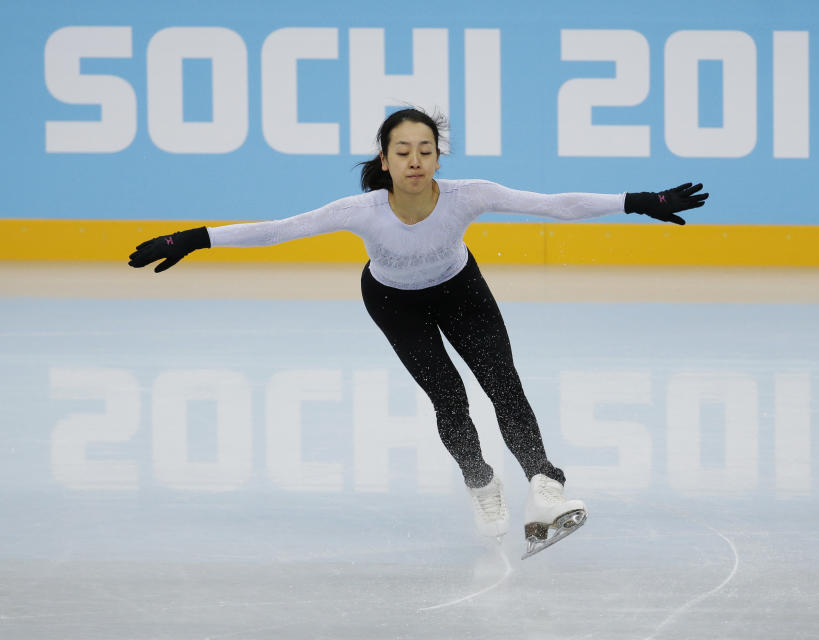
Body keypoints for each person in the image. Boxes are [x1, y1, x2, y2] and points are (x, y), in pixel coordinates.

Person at [128, 107, 709, 557]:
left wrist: (640, 200)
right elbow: (278, 231)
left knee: (503, 384)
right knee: (449, 399)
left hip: (462, 292)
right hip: (393, 304)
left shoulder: (467, 196)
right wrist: (192, 238)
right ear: (384, 159)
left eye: (425, 151)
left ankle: (544, 481)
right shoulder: (361, 210)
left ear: (437, 158)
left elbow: (554, 205)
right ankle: (482, 483)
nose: (414, 161)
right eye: (402, 151)